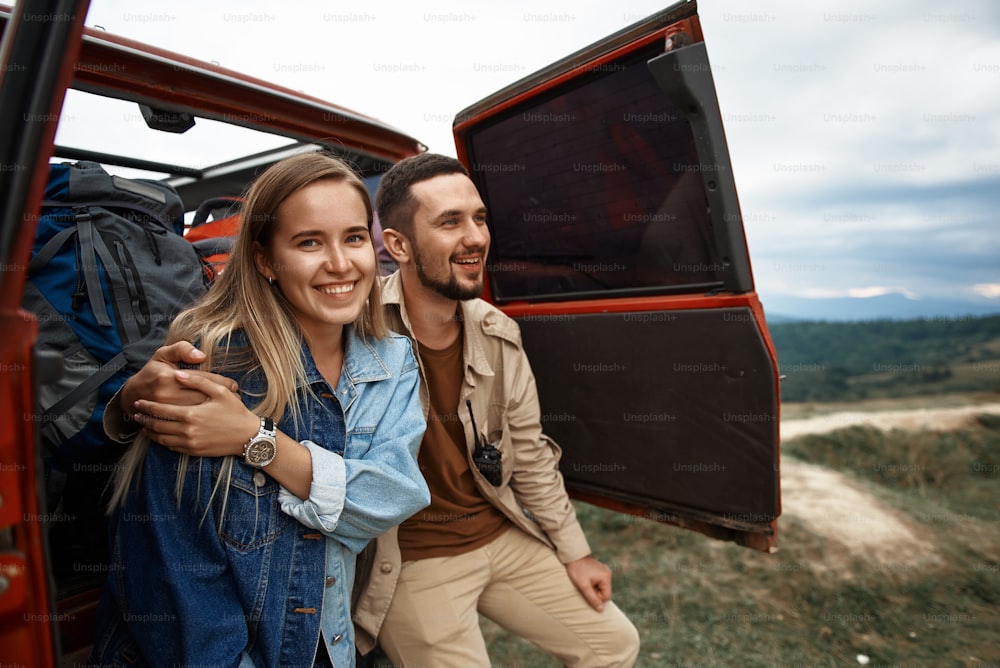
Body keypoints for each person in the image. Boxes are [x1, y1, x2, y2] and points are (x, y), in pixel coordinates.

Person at [111, 153, 640, 667]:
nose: (476, 237)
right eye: (451, 222)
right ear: (399, 245)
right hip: (406, 560)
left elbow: (516, 455)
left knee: (616, 643)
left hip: (493, 532)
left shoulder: (446, 344)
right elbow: (183, 581)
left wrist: (575, 551)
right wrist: (132, 400)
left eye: (479, 219)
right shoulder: (261, 353)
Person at [88, 153, 431, 667]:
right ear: (266, 260)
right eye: (309, 242)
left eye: (355, 237)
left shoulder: (393, 356)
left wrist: (255, 439)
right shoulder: (215, 371)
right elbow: (183, 589)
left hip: (330, 638)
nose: (341, 264)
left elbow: (396, 493)